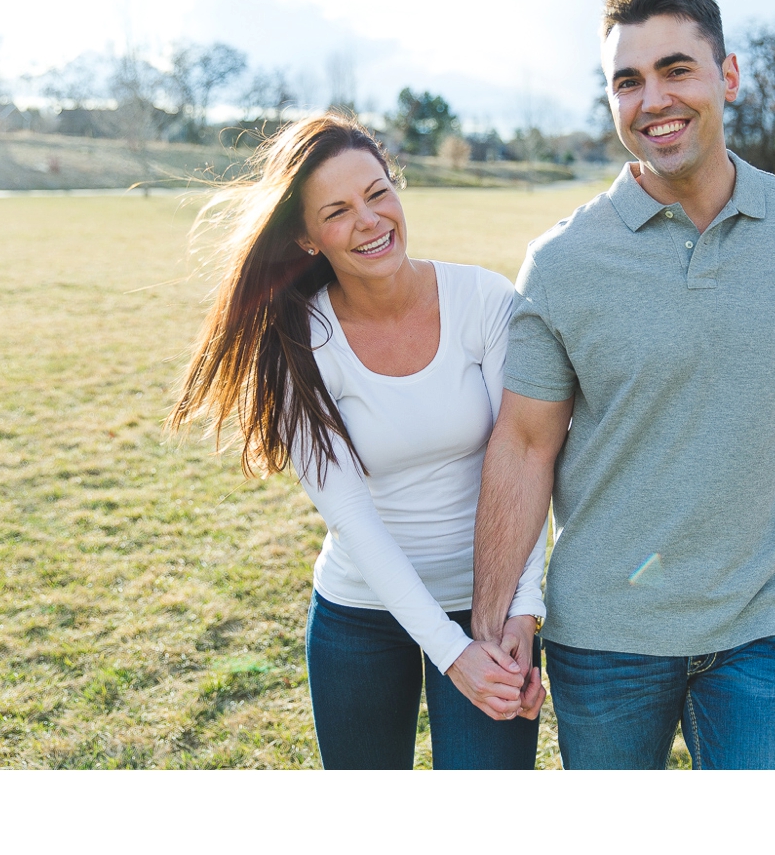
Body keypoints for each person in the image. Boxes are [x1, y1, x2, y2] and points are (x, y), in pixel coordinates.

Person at [471, 0, 775, 770]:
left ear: (728, 76)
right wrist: (498, 619)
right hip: (605, 637)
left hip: (765, 627)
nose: (652, 100)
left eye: (675, 69)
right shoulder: (561, 263)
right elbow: (523, 446)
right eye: (627, 81)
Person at [167, 112, 546, 770]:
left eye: (377, 193)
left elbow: (528, 456)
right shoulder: (298, 344)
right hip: (362, 616)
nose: (370, 220)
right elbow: (352, 519)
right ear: (308, 238)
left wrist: (522, 612)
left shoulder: (483, 300)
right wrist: (450, 654)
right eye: (338, 211)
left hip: (488, 605)